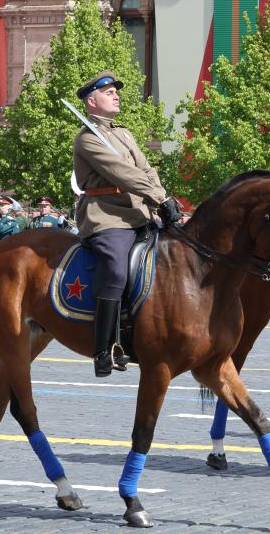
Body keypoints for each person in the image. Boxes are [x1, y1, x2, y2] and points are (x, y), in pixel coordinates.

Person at [72, 71, 179, 377]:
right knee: (117, 267)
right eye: (108, 93)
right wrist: (158, 197)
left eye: (115, 91)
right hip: (107, 216)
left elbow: (146, 169)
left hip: (138, 213)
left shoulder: (124, 134)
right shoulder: (88, 138)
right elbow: (122, 173)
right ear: (92, 101)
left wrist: (162, 197)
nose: (116, 95)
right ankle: (104, 347)